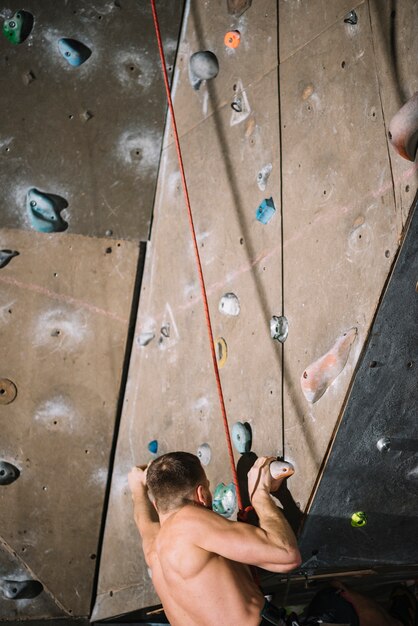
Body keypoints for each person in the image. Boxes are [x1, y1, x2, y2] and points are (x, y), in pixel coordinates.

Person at [128, 452, 302, 626]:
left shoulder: (154, 549)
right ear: (201, 494)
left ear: (157, 505)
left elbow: (143, 521)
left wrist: (137, 489)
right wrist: (259, 493)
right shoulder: (187, 522)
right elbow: (287, 556)